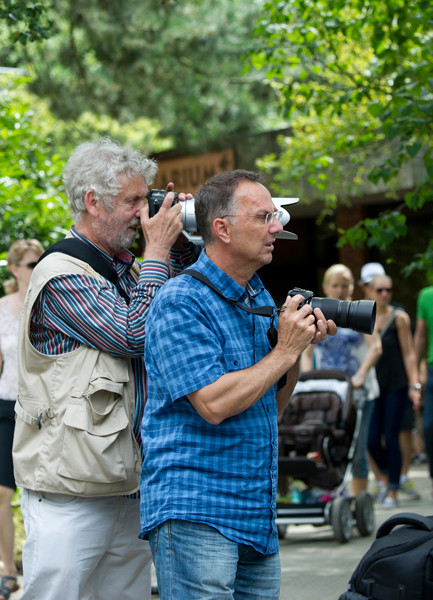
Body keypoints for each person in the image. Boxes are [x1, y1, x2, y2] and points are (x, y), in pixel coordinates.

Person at [139, 169, 337, 600]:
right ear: (222, 229)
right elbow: (213, 403)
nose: (278, 227)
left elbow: (271, 406)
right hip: (198, 510)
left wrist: (297, 349)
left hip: (255, 512)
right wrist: (283, 350)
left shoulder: (258, 297)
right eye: (264, 216)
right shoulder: (180, 300)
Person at [12, 137, 193, 600]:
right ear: (92, 202)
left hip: (128, 485)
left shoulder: (127, 267)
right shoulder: (60, 272)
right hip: (69, 490)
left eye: (144, 199)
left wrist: (183, 237)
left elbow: (182, 299)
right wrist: (156, 252)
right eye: (133, 200)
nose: (142, 212)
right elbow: (134, 334)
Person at [301, 263, 382, 496]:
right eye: (335, 285)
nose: (340, 289)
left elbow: (375, 347)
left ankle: (359, 499)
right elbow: (306, 352)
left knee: (357, 449)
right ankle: (333, 493)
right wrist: (308, 379)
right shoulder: (318, 313)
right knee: (330, 444)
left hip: (359, 390)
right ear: (326, 287)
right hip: (329, 390)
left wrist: (360, 376)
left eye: (344, 285)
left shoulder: (360, 312)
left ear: (351, 287)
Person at [0, 239, 43, 600]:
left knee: (39, 488)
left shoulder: (48, 302)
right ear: (15, 269)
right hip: (5, 406)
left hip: (41, 407)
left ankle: (41, 563)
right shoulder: (0, 308)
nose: (36, 268)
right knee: (2, 492)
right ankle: (9, 570)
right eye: (31, 264)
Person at [359, 262, 421, 501]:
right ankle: (385, 478)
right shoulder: (363, 315)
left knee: (392, 435)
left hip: (396, 385)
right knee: (372, 438)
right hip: (373, 386)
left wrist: (415, 385)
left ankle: (393, 488)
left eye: (388, 290)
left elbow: (409, 353)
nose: (384, 294)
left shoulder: (400, 318)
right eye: (379, 290)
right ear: (368, 290)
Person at [414, 283, 433, 497]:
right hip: (432, 369)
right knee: (428, 427)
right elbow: (420, 335)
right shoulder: (426, 295)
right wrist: (415, 372)